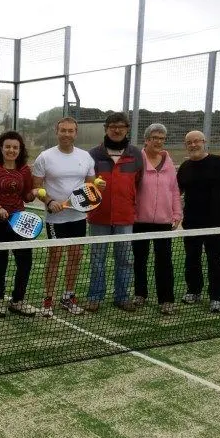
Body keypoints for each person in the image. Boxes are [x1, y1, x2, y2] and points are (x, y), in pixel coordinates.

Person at [32, 117, 96, 318]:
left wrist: (83, 199)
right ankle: (48, 299)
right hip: (55, 219)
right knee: (55, 257)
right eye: (63, 130)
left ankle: (68, 297)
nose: (67, 134)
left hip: (77, 217)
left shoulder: (85, 157)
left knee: (75, 256)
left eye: (71, 131)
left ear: (76, 133)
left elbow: (90, 186)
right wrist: (49, 202)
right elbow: (37, 188)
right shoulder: (44, 157)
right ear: (56, 131)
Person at [84, 112, 144, 313]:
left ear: (127, 129)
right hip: (98, 216)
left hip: (125, 217)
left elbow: (138, 182)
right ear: (106, 129)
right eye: (112, 126)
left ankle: (122, 296)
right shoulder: (93, 154)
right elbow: (86, 183)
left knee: (125, 259)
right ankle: (95, 297)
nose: (117, 130)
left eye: (121, 126)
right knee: (97, 259)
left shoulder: (136, 155)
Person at [177, 130, 220, 313]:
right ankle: (193, 291)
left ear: (204, 142)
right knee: (192, 259)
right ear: (186, 146)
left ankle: (216, 297)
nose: (194, 145)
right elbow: (176, 194)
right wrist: (174, 214)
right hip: (191, 223)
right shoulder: (185, 167)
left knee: (215, 260)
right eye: (189, 142)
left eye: (197, 141)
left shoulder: (219, 162)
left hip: (215, 222)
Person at [0, 130, 37, 318]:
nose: (11, 150)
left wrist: (36, 192)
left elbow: (26, 197)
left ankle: (17, 301)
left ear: (20, 150)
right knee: (0, 262)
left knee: (25, 262)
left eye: (15, 147)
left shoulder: (25, 170)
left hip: (20, 221)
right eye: (8, 147)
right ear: (1, 149)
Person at [132, 123, 182, 315]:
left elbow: (174, 190)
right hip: (139, 221)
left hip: (163, 221)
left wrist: (177, 214)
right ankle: (140, 294)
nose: (158, 141)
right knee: (139, 259)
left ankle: (166, 300)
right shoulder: (138, 159)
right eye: (155, 138)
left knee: (164, 261)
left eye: (162, 138)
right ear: (147, 140)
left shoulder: (168, 162)